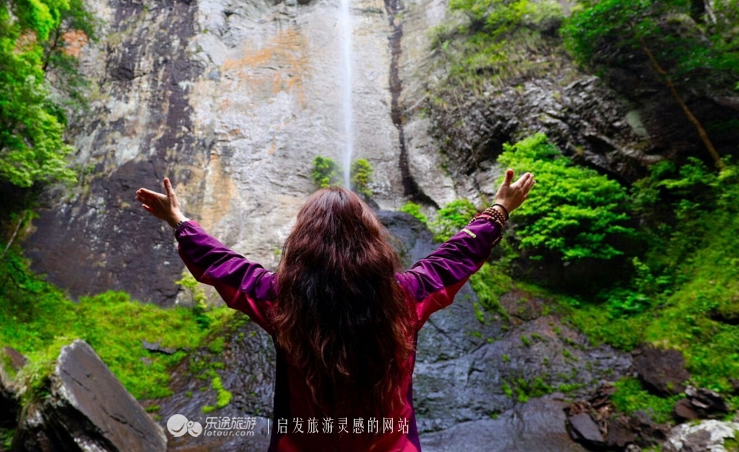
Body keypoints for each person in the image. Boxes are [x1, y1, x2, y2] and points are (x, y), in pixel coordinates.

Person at [136, 168, 535, 452]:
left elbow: (226, 266)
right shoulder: (405, 296)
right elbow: (454, 258)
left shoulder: (281, 299)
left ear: (302, 243)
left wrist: (179, 221)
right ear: (371, 241)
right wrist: (498, 209)